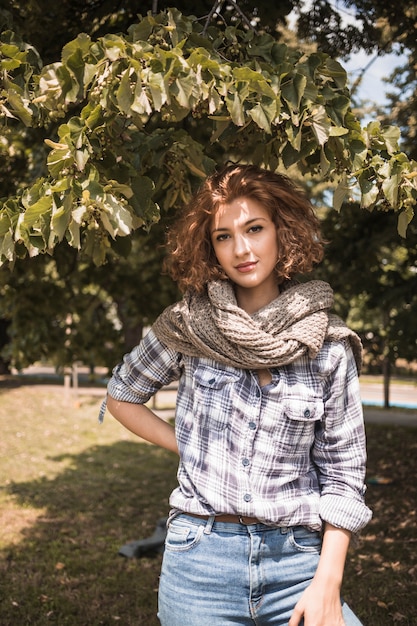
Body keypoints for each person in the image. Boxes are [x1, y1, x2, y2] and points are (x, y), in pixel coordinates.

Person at [104, 164, 372, 626]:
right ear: (210, 247)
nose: (241, 249)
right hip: (200, 563)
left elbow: (345, 476)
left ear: (280, 231)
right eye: (223, 236)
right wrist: (187, 447)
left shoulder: (327, 344)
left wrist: (327, 583)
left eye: (254, 229)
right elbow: (122, 394)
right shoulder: (189, 325)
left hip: (300, 564)